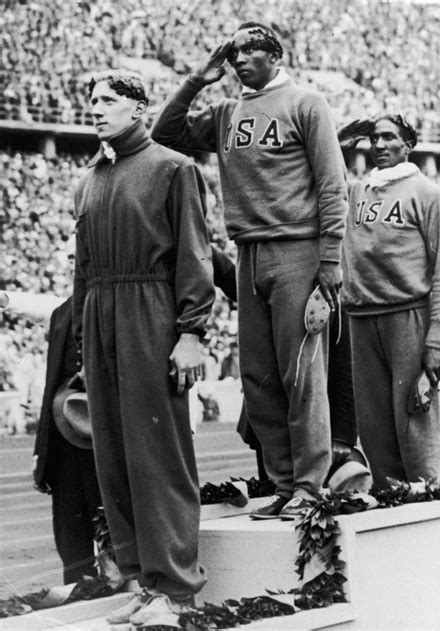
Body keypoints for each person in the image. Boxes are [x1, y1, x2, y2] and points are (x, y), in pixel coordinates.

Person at [152, 22, 348, 519]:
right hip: (248, 252)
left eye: (248, 51)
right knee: (258, 378)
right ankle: (283, 482)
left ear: (274, 55)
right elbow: (165, 135)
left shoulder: (306, 104)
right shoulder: (226, 111)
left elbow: (331, 183)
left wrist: (328, 259)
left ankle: (311, 484)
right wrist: (198, 79)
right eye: (233, 53)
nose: (238, 60)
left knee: (300, 373)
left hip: (297, 249)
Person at [72, 70, 215, 627]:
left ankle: (176, 588)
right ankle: (142, 578)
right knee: (114, 455)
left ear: (138, 108)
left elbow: (195, 257)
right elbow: (83, 271)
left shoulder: (173, 168)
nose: (95, 108)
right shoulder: (88, 181)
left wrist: (191, 333)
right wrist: (84, 344)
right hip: (99, 316)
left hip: (150, 314)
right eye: (91, 100)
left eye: (107, 100)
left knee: (158, 456)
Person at [339, 115, 440, 488]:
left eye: (389, 137)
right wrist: (343, 140)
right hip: (361, 316)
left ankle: (429, 510)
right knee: (374, 428)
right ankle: (390, 505)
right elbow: (320, 173)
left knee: (415, 424)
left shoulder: (429, 193)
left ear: (408, 144)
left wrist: (436, 340)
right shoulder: (358, 190)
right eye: (373, 138)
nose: (379, 145)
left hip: (408, 315)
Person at [0, 239, 102, 585]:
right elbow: (48, 389)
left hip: (105, 437)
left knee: (109, 515)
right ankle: (78, 586)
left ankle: (122, 583)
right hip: (64, 437)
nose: (75, 263)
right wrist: (41, 452)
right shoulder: (61, 311)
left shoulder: (116, 305)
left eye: (80, 255)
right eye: (71, 258)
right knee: (69, 523)